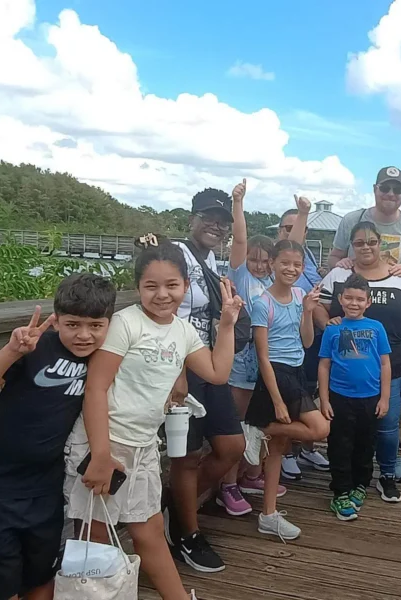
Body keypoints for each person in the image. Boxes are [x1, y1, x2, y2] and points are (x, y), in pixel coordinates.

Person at [67, 235, 242, 600]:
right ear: (137, 288)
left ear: (186, 286)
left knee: (147, 530)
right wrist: (100, 455)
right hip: (105, 443)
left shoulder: (182, 330)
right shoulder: (125, 324)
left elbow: (216, 372)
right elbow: (96, 388)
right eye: (151, 286)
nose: (163, 295)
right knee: (96, 537)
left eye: (172, 286)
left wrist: (227, 324)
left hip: (144, 445)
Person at [0, 274, 115, 600]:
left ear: (109, 324)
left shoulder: (104, 359)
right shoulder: (37, 347)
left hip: (46, 489)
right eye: (73, 324)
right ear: (56, 320)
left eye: (95, 326)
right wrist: (12, 351)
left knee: (42, 576)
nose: (84, 335)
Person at [328, 166, 401, 484]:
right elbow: (333, 261)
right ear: (374, 188)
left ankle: (396, 457)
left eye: (397, 190)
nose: (390, 195)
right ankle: (352, 465)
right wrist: (343, 263)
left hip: (394, 324)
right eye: (385, 188)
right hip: (351, 328)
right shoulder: (352, 219)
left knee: (395, 403)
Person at [163, 187, 247, 573]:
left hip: (209, 361)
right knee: (187, 456)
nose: (216, 225)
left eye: (223, 221)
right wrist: (178, 374)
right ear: (191, 219)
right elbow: (164, 313)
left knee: (231, 446)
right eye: (208, 217)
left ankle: (173, 511)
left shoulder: (211, 259)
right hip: (181, 367)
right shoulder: (174, 253)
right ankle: (187, 534)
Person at [317, 222, 401, 504]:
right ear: (352, 246)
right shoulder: (340, 273)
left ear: (381, 244)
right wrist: (328, 323)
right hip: (345, 373)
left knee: (387, 424)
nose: (366, 247)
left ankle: (386, 475)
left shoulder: (400, 277)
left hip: (390, 362)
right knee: (348, 431)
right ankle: (347, 480)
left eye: (372, 242)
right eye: (359, 242)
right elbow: (319, 304)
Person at [242, 240, 331, 540]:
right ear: (273, 264)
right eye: (285, 263)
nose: (291, 269)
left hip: (296, 369)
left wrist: (308, 312)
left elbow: (307, 342)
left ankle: (268, 514)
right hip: (276, 375)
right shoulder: (262, 303)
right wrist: (278, 402)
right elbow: (263, 356)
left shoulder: (299, 295)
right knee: (320, 429)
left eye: (297, 265)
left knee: (278, 448)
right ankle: (259, 427)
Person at [223, 179, 286, 513]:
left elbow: (295, 247)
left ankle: (251, 474)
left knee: (258, 422)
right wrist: (238, 204)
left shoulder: (272, 282)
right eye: (255, 259)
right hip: (239, 363)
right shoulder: (241, 276)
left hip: (264, 362)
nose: (260, 265)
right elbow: (241, 238)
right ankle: (229, 484)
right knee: (237, 423)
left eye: (266, 260)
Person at [319, 273, 391, 521]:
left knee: (365, 444)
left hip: (370, 398)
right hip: (340, 398)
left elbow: (385, 364)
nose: (353, 303)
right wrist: (325, 399)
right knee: (339, 445)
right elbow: (324, 365)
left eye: (359, 299)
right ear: (340, 299)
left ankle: (361, 484)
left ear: (368, 302)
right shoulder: (333, 329)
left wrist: (385, 398)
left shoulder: (376, 328)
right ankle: (340, 492)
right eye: (348, 298)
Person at [275, 203, 331, 480]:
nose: (294, 232)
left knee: (310, 393)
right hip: (287, 340)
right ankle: (286, 452)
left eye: (300, 227)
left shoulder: (306, 254)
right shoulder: (279, 257)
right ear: (279, 230)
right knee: (292, 399)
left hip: (311, 335)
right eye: (288, 227)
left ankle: (306, 447)